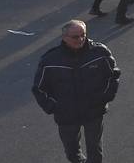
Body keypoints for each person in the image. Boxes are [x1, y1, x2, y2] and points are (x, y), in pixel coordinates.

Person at [31, 20, 120, 163]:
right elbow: (39, 88)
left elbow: (113, 76)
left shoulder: (100, 52)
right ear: (64, 38)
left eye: (83, 35)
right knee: (72, 152)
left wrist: (105, 97)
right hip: (66, 115)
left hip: (94, 110)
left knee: (95, 150)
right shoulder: (50, 60)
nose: (80, 39)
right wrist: (54, 107)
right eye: (75, 37)